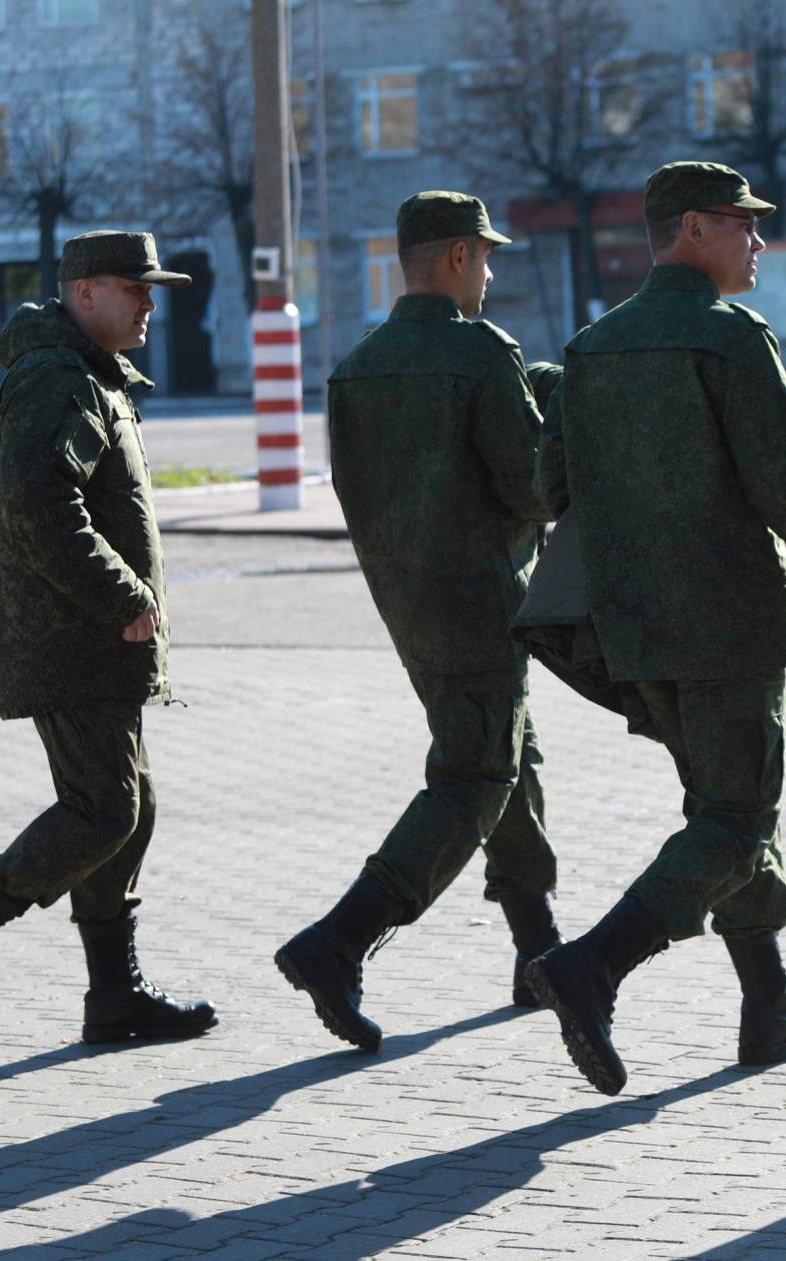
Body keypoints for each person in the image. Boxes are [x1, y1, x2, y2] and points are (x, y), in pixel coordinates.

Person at [523, 161, 786, 1095]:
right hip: (727, 623)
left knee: (721, 806)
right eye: (742, 224)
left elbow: (549, 489)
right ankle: (593, 964)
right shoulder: (728, 338)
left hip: (632, 631)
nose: (758, 241)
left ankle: (770, 1006)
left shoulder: (593, 346)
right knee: (735, 816)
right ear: (693, 229)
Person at [0, 231, 217, 1047]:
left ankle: (114, 995)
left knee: (128, 812)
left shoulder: (91, 376)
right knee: (103, 808)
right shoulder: (57, 378)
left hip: (97, 640)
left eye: (152, 289)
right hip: (72, 636)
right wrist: (121, 596)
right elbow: (40, 503)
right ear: (84, 291)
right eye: (135, 288)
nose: (149, 303)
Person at [274, 192, 560, 1052]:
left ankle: (538, 948)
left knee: (510, 756)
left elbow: (351, 488)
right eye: (487, 256)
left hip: (409, 603)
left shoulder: (357, 365)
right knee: (475, 775)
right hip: (485, 599)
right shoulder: (480, 356)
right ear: (460, 257)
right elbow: (529, 484)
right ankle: (341, 939)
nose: (492, 272)